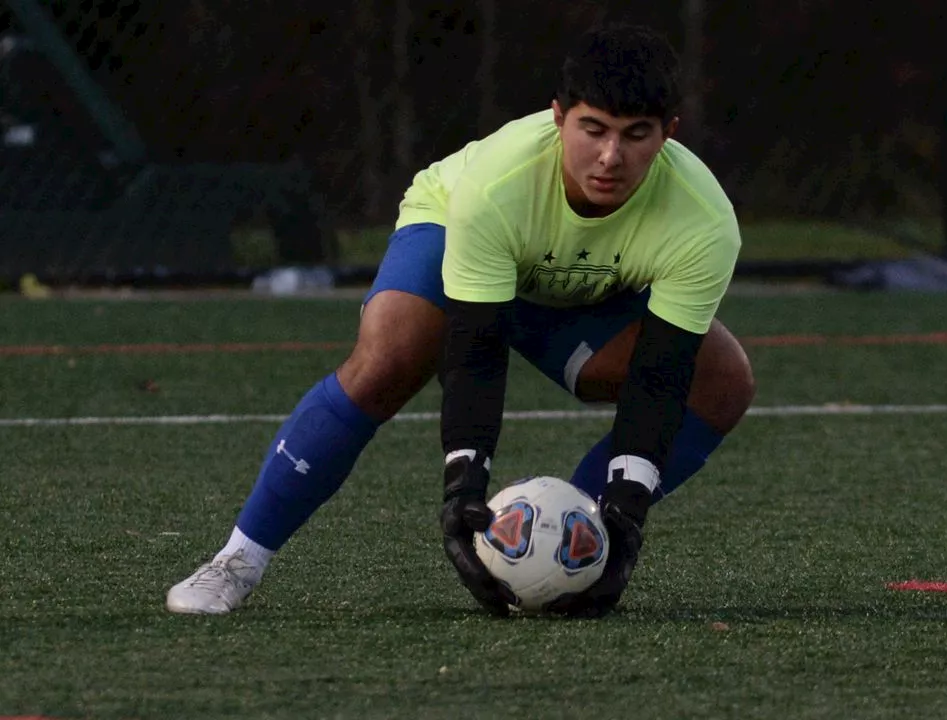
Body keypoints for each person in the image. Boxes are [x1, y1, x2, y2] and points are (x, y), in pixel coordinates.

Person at [165, 23, 755, 618]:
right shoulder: (496, 185)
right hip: (455, 238)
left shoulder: (703, 222)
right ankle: (236, 561)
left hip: (574, 288)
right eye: (593, 129)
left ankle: (576, 544)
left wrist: (627, 512)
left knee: (721, 380)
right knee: (391, 355)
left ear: (668, 135)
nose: (610, 157)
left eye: (636, 136)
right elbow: (475, 348)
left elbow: (660, 375)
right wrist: (464, 488)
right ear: (558, 118)